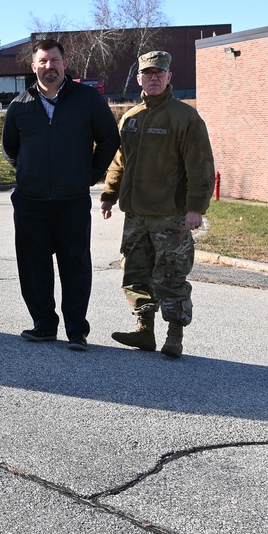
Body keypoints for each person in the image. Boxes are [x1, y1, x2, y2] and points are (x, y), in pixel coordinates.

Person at [1, 38, 119, 351]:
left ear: (64, 64)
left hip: (72, 201)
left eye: (54, 60)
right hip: (31, 203)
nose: (49, 66)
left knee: (75, 266)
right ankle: (44, 326)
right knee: (33, 266)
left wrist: (89, 176)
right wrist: (30, 174)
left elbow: (109, 140)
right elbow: (11, 149)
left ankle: (77, 330)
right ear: (33, 66)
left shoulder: (87, 100)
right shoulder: (19, 106)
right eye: (43, 61)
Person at [100, 50, 215, 358]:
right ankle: (144, 331)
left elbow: (201, 164)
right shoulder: (131, 117)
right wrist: (110, 194)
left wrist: (196, 208)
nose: (153, 78)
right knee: (136, 272)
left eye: (159, 73)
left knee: (171, 275)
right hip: (136, 213)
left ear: (169, 77)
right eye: (147, 74)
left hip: (171, 216)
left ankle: (174, 336)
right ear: (139, 78)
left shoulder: (185, 117)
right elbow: (120, 161)